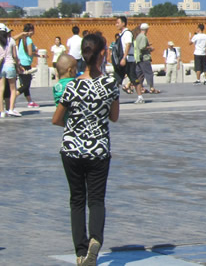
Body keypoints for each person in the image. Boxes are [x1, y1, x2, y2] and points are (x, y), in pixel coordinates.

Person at [52, 33, 120, 266]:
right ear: (103, 53)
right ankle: (96, 240)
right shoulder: (110, 84)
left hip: (71, 149)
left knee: (77, 200)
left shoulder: (72, 86)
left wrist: (74, 125)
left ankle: (81, 254)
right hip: (98, 149)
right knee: (96, 200)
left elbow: (57, 119)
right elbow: (114, 117)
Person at [15, 23, 40, 109]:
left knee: (25, 84)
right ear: (30, 31)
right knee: (25, 85)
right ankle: (13, 96)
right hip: (26, 64)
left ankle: (30, 102)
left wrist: (39, 55)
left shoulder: (22, 39)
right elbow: (29, 53)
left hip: (21, 63)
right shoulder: (28, 40)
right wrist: (35, 52)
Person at [135, 23, 157, 94]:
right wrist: (150, 48)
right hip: (144, 58)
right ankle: (152, 87)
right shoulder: (143, 37)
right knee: (149, 73)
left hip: (138, 58)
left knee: (140, 74)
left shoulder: (138, 36)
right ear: (147, 29)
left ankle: (139, 88)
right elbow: (142, 47)